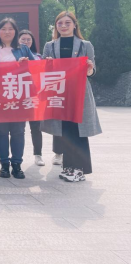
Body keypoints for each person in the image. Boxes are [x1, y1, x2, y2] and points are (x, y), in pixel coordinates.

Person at [41, 11, 100, 182]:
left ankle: (79, 169)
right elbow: (44, 70)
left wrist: (89, 68)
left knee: (78, 130)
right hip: (59, 92)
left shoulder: (85, 45)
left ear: (75, 25)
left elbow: (92, 71)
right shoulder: (50, 46)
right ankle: (69, 167)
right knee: (65, 130)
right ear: (56, 26)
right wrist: (47, 64)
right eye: (60, 23)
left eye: (68, 23)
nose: (64, 26)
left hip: (78, 92)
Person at [0, 18, 35, 179]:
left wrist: (26, 64)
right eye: (3, 29)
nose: (7, 32)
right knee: (1, 132)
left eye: (10, 29)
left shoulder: (23, 49)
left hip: (19, 97)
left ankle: (17, 164)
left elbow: (36, 70)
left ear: (15, 31)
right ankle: (4, 164)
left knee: (18, 131)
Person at [18, 29, 45, 167]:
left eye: (29, 39)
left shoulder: (38, 57)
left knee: (36, 127)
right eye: (23, 39)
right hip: (19, 95)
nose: (26, 42)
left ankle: (38, 154)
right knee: (19, 128)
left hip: (34, 95)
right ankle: (18, 156)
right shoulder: (13, 55)